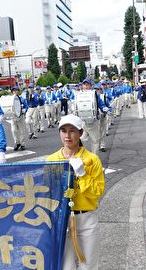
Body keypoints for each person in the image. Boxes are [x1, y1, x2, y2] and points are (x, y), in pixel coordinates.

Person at [46, 114, 105, 270]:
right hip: (61, 219)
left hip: (86, 218)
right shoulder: (52, 160)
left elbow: (97, 192)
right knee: (66, 266)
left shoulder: (92, 159)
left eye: (72, 131)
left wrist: (83, 174)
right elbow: (47, 191)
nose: (67, 135)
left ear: (80, 133)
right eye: (63, 131)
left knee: (89, 265)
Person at [10, 86, 28, 151]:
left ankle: (22, 144)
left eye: (16, 90)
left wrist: (24, 110)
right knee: (13, 130)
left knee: (22, 131)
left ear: (18, 91)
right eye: (13, 90)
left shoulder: (22, 99)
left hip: (20, 116)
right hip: (13, 117)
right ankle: (17, 143)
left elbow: (26, 106)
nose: (15, 91)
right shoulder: (10, 99)